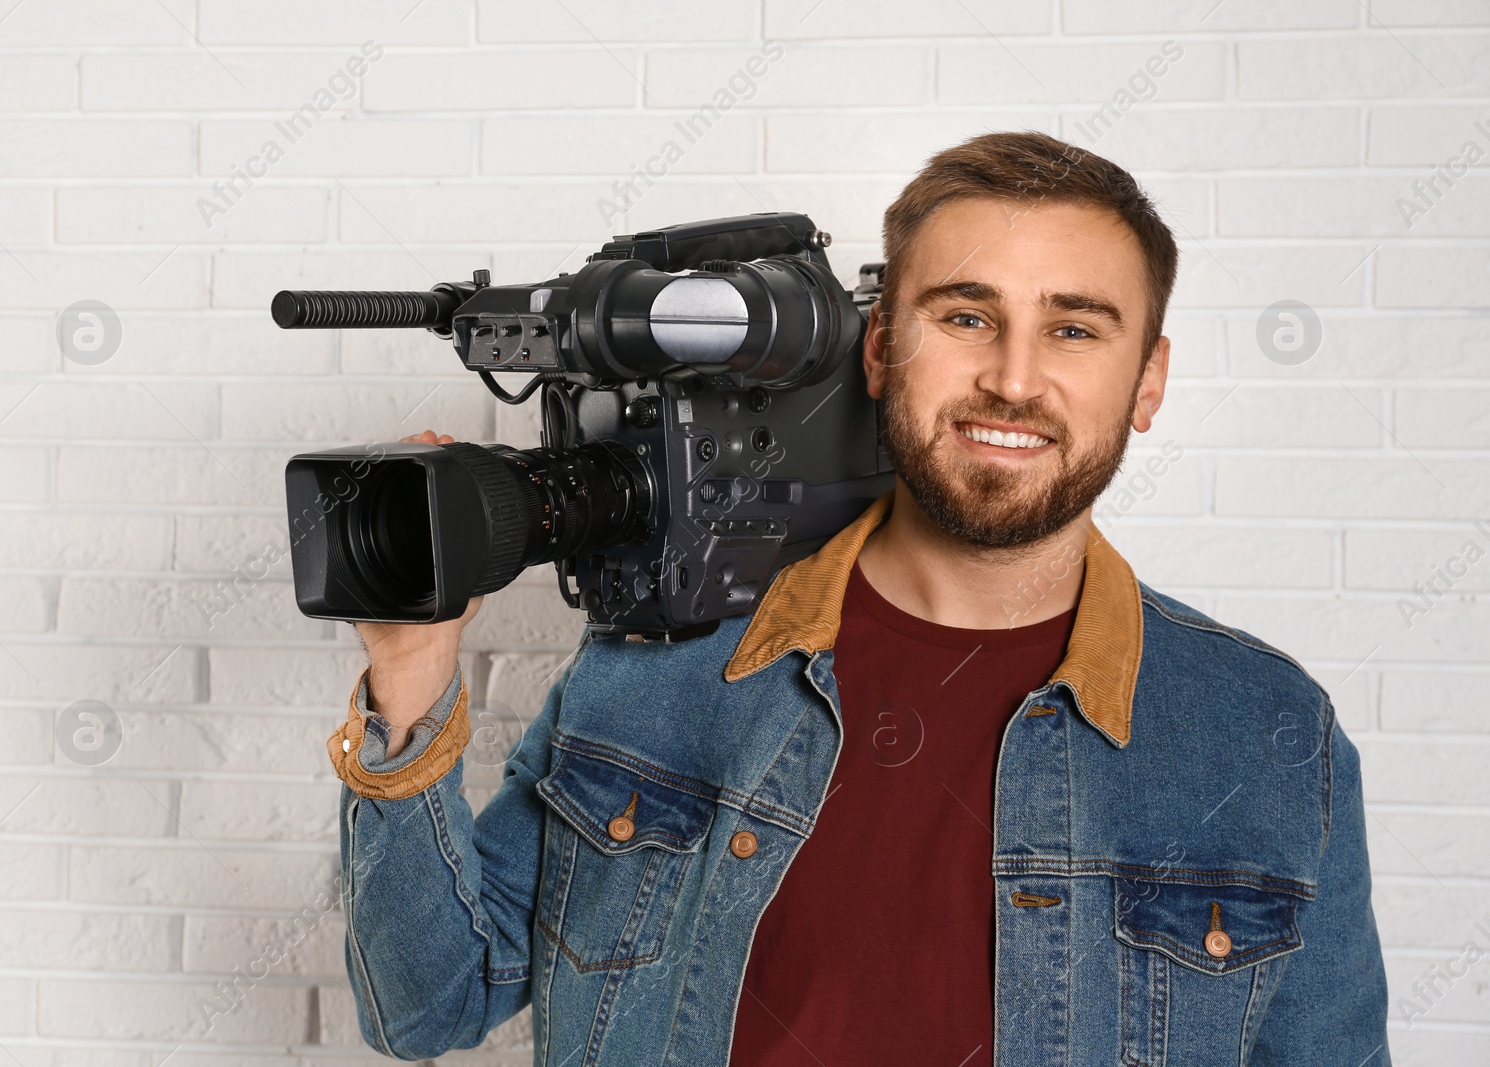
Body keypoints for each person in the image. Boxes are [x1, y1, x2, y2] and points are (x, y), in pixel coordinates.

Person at [324, 131, 1390, 1066]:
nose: (1012, 379)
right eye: (966, 316)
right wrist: (409, 683)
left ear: (1146, 379)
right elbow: (425, 1003)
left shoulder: (1263, 735)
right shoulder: (660, 667)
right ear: (881, 348)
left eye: (1073, 328)